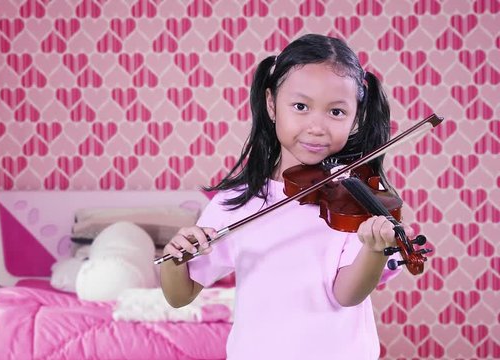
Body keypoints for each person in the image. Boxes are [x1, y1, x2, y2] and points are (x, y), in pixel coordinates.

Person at [160, 33, 413, 359]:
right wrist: (174, 261)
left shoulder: (355, 198)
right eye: (300, 106)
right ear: (271, 104)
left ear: (355, 119)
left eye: (336, 112)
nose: (316, 126)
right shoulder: (234, 202)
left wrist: (374, 250)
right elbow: (180, 296)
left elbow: (346, 295)